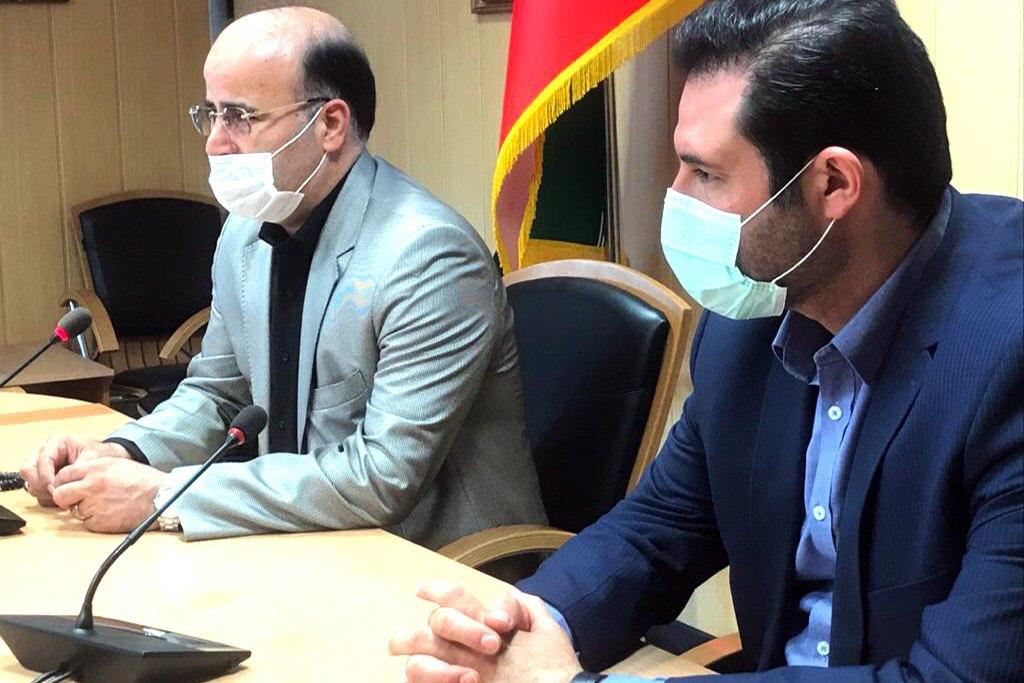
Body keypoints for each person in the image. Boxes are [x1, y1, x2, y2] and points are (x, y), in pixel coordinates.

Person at [389, 0, 1023, 680]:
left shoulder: (1006, 355)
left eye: (707, 174)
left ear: (833, 183)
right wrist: (519, 628)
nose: (678, 196)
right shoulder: (753, 312)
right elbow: (661, 527)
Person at [19, 6, 545, 548]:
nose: (215, 142)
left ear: (330, 125)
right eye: (210, 114)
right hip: (302, 537)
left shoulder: (428, 256)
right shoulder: (246, 233)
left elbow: (383, 476)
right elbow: (218, 395)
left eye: (239, 117)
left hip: (439, 564)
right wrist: (120, 452)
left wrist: (164, 497)